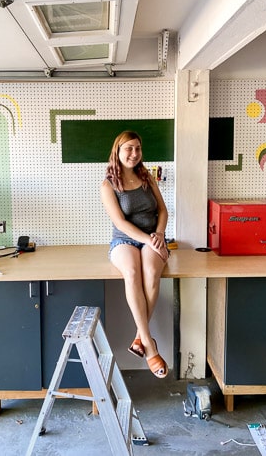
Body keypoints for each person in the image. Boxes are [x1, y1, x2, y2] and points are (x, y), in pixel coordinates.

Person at [101, 130, 169, 378]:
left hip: (153, 238)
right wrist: (148, 239)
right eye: (128, 148)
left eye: (137, 148)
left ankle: (140, 337)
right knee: (131, 272)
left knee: (151, 271)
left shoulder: (146, 177)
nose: (134, 153)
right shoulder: (109, 185)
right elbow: (120, 223)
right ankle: (150, 345)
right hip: (124, 241)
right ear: (117, 152)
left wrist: (159, 235)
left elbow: (162, 211)